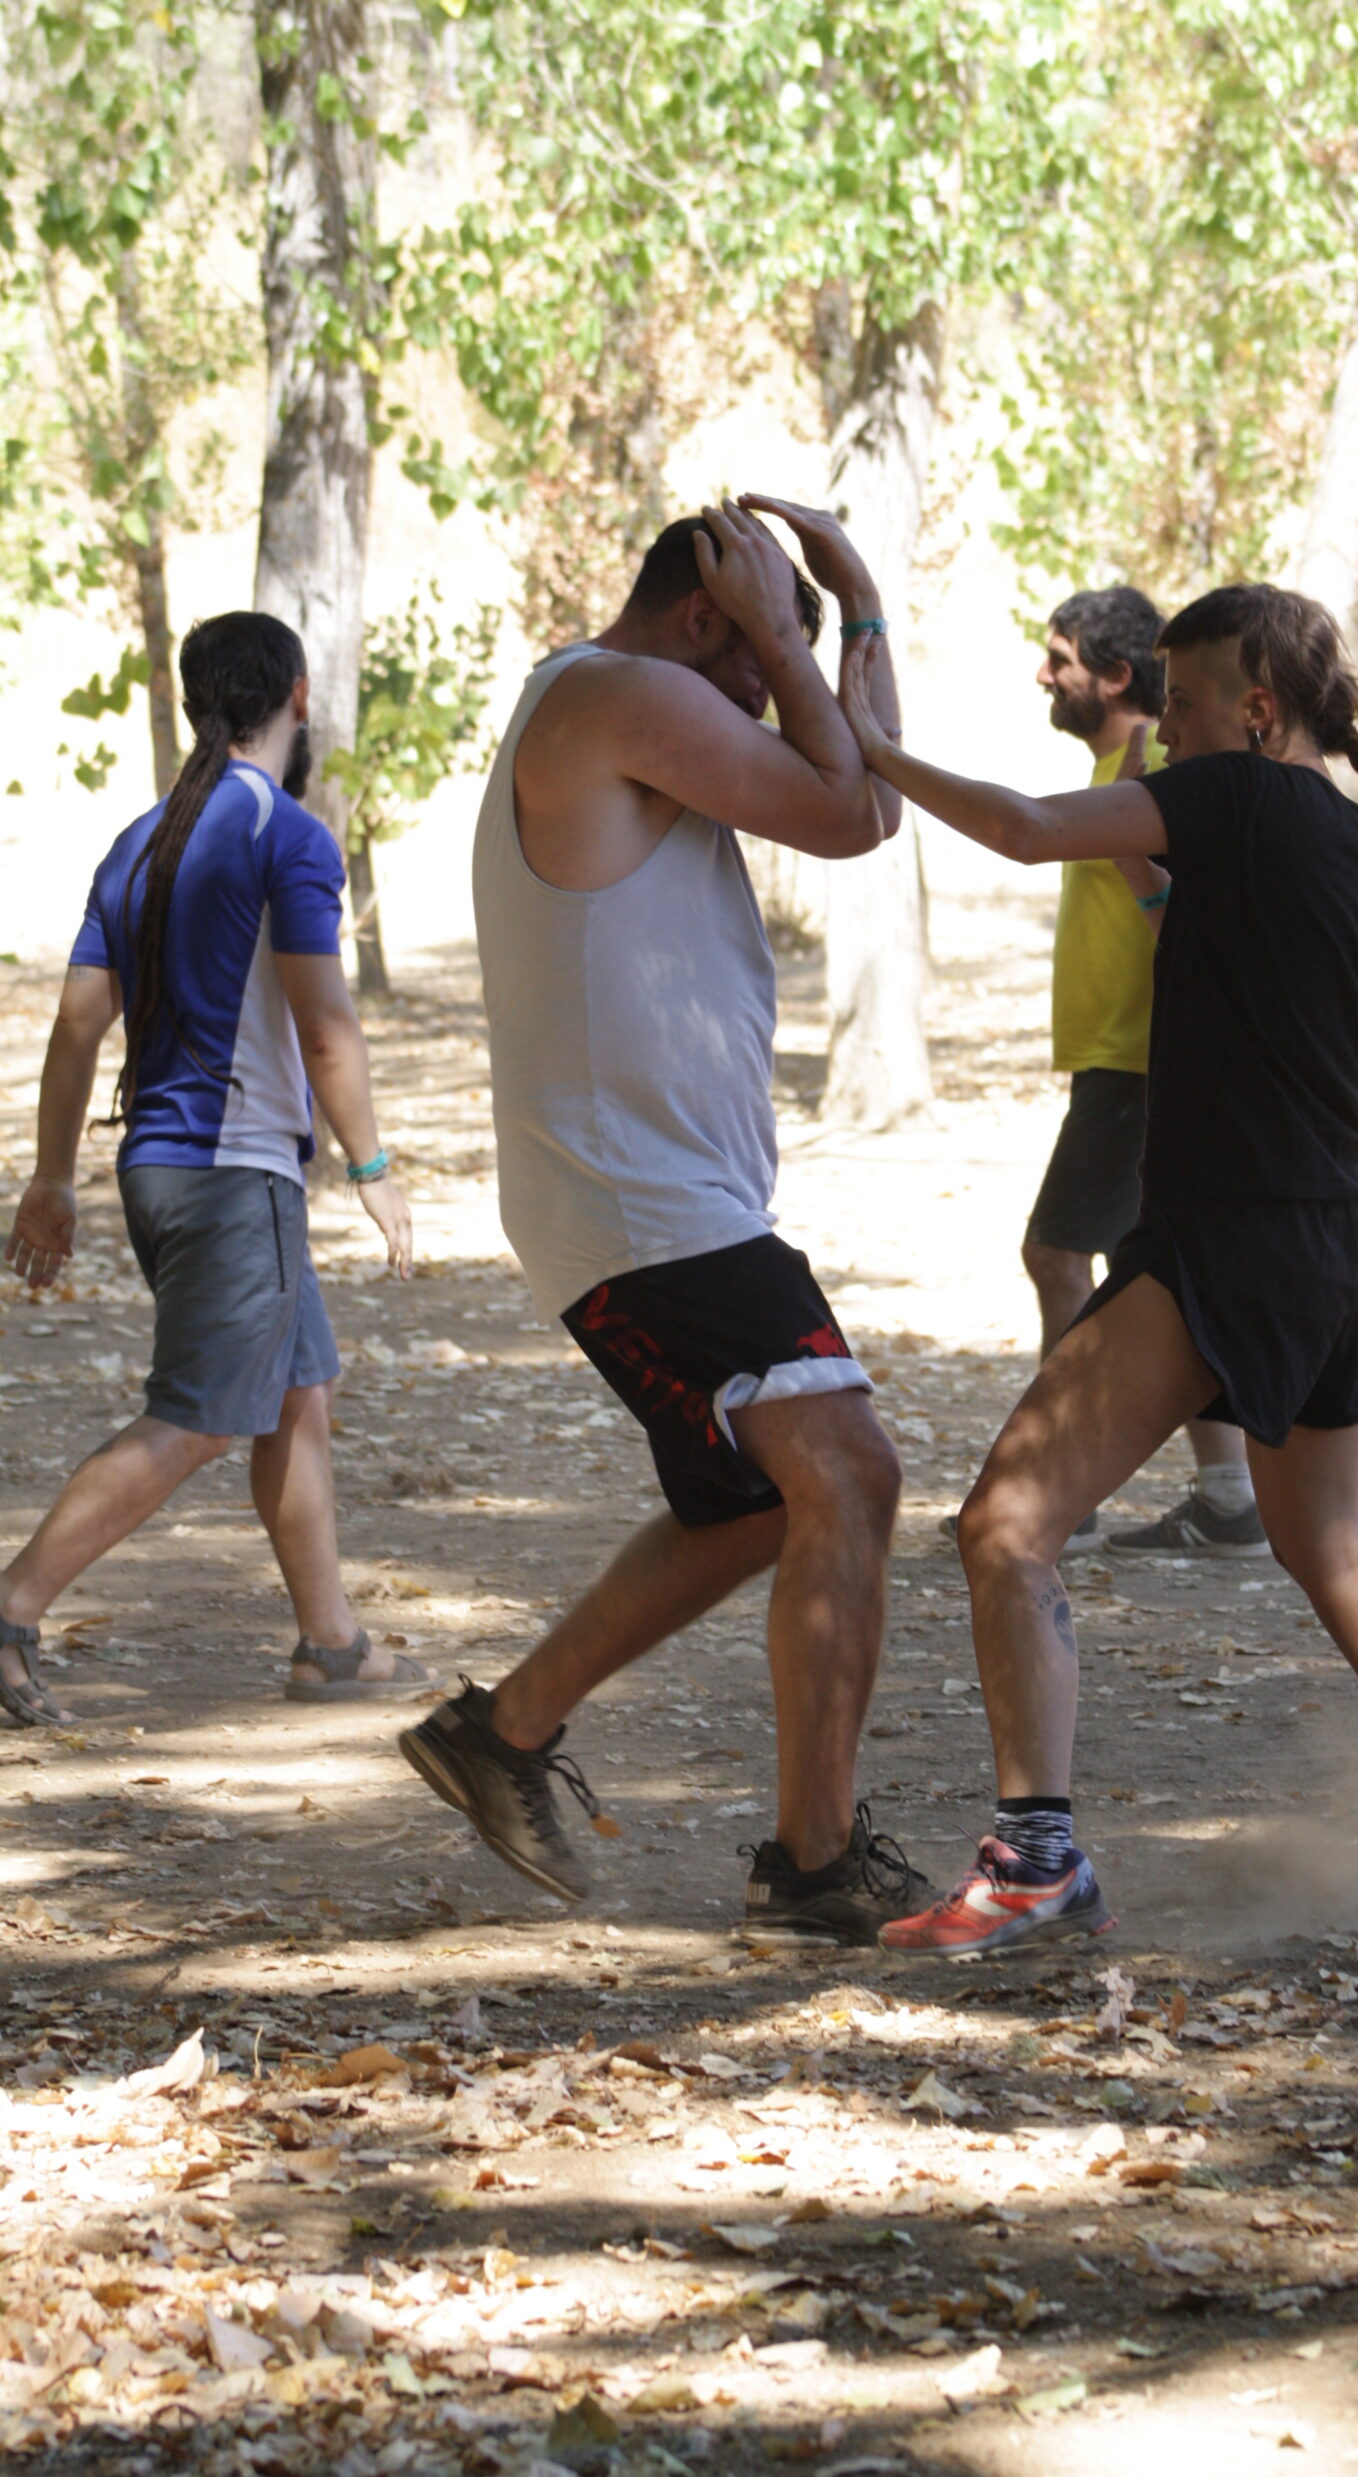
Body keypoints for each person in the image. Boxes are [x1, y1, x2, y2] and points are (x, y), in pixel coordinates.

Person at [836, 581, 1358, 1954]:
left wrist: (871, 749)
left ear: (1257, 711)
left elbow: (1022, 827)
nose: (1159, 736)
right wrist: (1147, 871)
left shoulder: (1236, 795)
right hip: (1343, 1234)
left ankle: (1035, 1864)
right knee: (1326, 1547)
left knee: (1005, 1526)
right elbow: (1214, 960)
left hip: (1233, 1234)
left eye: (1183, 704)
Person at [397, 497, 933, 1946]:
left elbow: (869, 794)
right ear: (704, 615)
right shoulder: (616, 695)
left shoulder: (645, 704)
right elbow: (845, 811)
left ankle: (502, 1731)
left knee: (756, 1503)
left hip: (659, 1197)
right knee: (851, 1472)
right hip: (641, 1201)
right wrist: (792, 630)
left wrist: (857, 608)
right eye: (756, 662)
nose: (768, 702)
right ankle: (813, 1864)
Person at [0, 612, 428, 1730]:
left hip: (161, 1172)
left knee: (298, 1393)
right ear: (298, 695)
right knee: (196, 1419)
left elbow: (77, 1027)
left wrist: (54, 1177)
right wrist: (372, 1164)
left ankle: (331, 1645)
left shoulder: (140, 840)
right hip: (236, 1178)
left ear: (196, 702)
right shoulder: (287, 835)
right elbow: (325, 1025)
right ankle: (10, 1608)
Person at [1019, 586, 1264, 1559]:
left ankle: (1061, 1495)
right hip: (1124, 1062)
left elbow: (1195, 909)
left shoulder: (1155, 772)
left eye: (1060, 658)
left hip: (1140, 1062)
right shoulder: (1122, 770)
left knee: (1055, 1255)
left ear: (1116, 674)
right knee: (1164, 1275)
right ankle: (1228, 1499)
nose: (1044, 674)